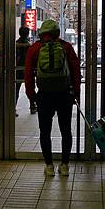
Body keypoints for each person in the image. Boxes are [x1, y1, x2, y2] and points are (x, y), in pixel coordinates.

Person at [25, 19, 81, 177]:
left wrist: (31, 96)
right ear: (57, 33)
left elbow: (28, 74)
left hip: (44, 95)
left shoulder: (35, 48)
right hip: (64, 94)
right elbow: (76, 72)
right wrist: (75, 93)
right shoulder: (66, 47)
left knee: (45, 132)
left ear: (42, 33)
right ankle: (64, 165)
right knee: (66, 131)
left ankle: (49, 166)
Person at [15, 26, 35, 117]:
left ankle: (12, 108)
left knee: (16, 90)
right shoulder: (29, 46)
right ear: (27, 34)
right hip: (27, 69)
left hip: (17, 69)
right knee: (30, 88)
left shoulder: (15, 44)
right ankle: (32, 107)